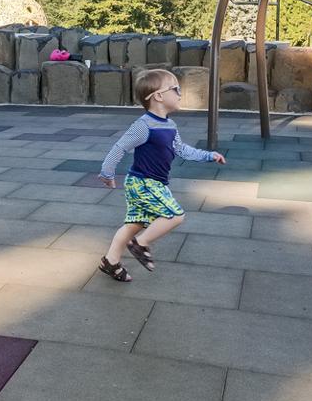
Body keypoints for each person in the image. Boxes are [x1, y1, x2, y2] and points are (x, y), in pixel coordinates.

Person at [95, 69, 227, 282]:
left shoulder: (170, 126)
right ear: (158, 96)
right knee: (175, 215)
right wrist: (107, 172)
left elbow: (182, 150)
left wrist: (208, 155)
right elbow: (119, 148)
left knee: (133, 225)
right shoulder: (143, 126)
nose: (180, 93)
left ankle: (110, 261)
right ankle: (140, 244)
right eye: (176, 89)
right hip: (143, 183)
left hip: (153, 183)